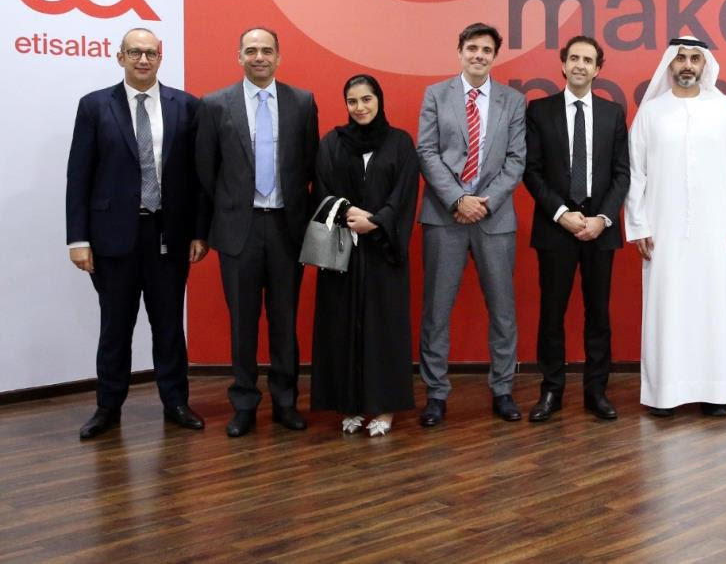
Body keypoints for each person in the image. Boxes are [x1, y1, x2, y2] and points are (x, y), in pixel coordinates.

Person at [67, 27, 210, 439]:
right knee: (115, 327)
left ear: (160, 58)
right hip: (112, 238)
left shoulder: (187, 106)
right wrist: (78, 239)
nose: (143, 59)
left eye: (150, 53)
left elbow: (198, 178)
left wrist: (199, 232)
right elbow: (79, 176)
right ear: (120, 57)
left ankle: (176, 402)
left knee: (169, 326)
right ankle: (108, 408)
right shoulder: (95, 106)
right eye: (134, 52)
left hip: (170, 235)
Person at [196, 27, 318, 437]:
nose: (259, 57)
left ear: (278, 57)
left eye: (267, 50)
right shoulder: (215, 104)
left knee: (285, 321)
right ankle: (244, 404)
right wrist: (210, 225)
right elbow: (205, 172)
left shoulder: (302, 102)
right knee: (242, 324)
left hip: (287, 228)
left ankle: (285, 401)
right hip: (239, 230)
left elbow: (310, 165)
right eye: (251, 50)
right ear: (239, 56)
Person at [625, 36, 726, 417]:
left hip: (718, 231)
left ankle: (717, 393)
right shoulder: (652, 112)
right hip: (663, 230)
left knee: (716, 306)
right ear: (670, 63)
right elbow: (635, 172)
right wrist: (638, 225)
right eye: (681, 58)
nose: (687, 65)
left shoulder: (724, 108)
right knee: (669, 308)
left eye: (695, 59)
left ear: (704, 65)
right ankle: (666, 393)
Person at [416, 22, 527, 426]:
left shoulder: (513, 101)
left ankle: (502, 389)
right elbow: (427, 152)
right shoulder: (436, 94)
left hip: (494, 218)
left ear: (495, 56)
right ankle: (436, 393)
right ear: (459, 51)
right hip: (444, 216)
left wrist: (483, 203)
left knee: (502, 310)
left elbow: (516, 159)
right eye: (472, 48)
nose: (479, 55)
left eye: (486, 50)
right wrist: (458, 199)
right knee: (436, 311)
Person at [523, 35, 630, 422]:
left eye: (588, 60)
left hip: (600, 230)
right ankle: (551, 391)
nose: (580, 65)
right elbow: (531, 171)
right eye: (574, 58)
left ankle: (596, 392)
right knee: (552, 314)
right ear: (563, 64)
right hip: (556, 229)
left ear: (598, 69)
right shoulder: (540, 111)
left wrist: (602, 219)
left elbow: (622, 174)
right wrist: (561, 213)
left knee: (598, 314)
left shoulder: (613, 113)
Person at [310, 75, 419, 436]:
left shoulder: (400, 142)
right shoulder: (332, 143)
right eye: (352, 101)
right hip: (342, 249)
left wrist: (377, 221)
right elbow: (322, 188)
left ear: (379, 100)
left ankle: (385, 408)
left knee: (383, 329)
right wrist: (347, 214)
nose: (360, 107)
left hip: (384, 251)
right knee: (342, 327)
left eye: (367, 99)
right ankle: (350, 404)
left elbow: (405, 192)